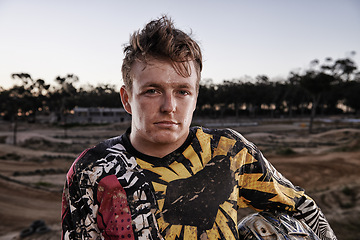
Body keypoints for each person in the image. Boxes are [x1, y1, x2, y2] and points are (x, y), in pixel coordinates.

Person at [61, 15, 337, 240]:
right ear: (127, 99)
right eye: (153, 90)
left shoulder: (229, 151)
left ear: (195, 100)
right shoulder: (93, 169)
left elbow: (301, 208)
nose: (169, 106)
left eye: (182, 92)